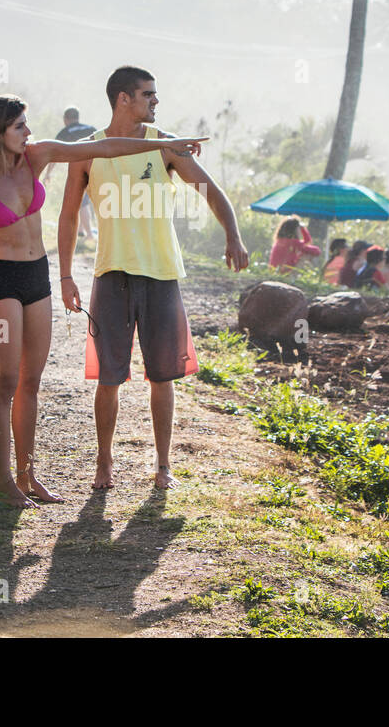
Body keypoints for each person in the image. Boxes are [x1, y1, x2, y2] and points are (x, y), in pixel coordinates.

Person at [0, 94, 207, 508]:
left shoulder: (36, 157)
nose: (29, 132)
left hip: (38, 277)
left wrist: (162, 145)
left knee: (31, 383)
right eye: (19, 126)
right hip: (2, 281)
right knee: (6, 383)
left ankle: (27, 475)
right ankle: (4, 482)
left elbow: (103, 148)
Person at [59, 66, 249, 492]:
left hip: (162, 275)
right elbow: (69, 214)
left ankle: (163, 465)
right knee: (109, 378)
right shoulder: (88, 151)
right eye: (148, 95)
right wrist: (67, 274)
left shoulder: (166, 147)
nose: (155, 102)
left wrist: (232, 234)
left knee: (162, 377)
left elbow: (211, 191)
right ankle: (104, 462)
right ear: (123, 98)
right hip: (112, 276)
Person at [45, 106, 98, 238]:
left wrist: (47, 174)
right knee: (84, 199)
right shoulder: (90, 129)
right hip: (97, 167)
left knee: (82, 201)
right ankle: (81, 230)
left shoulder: (65, 132)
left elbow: (54, 155)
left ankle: (90, 234)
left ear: (65, 119)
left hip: (81, 170)